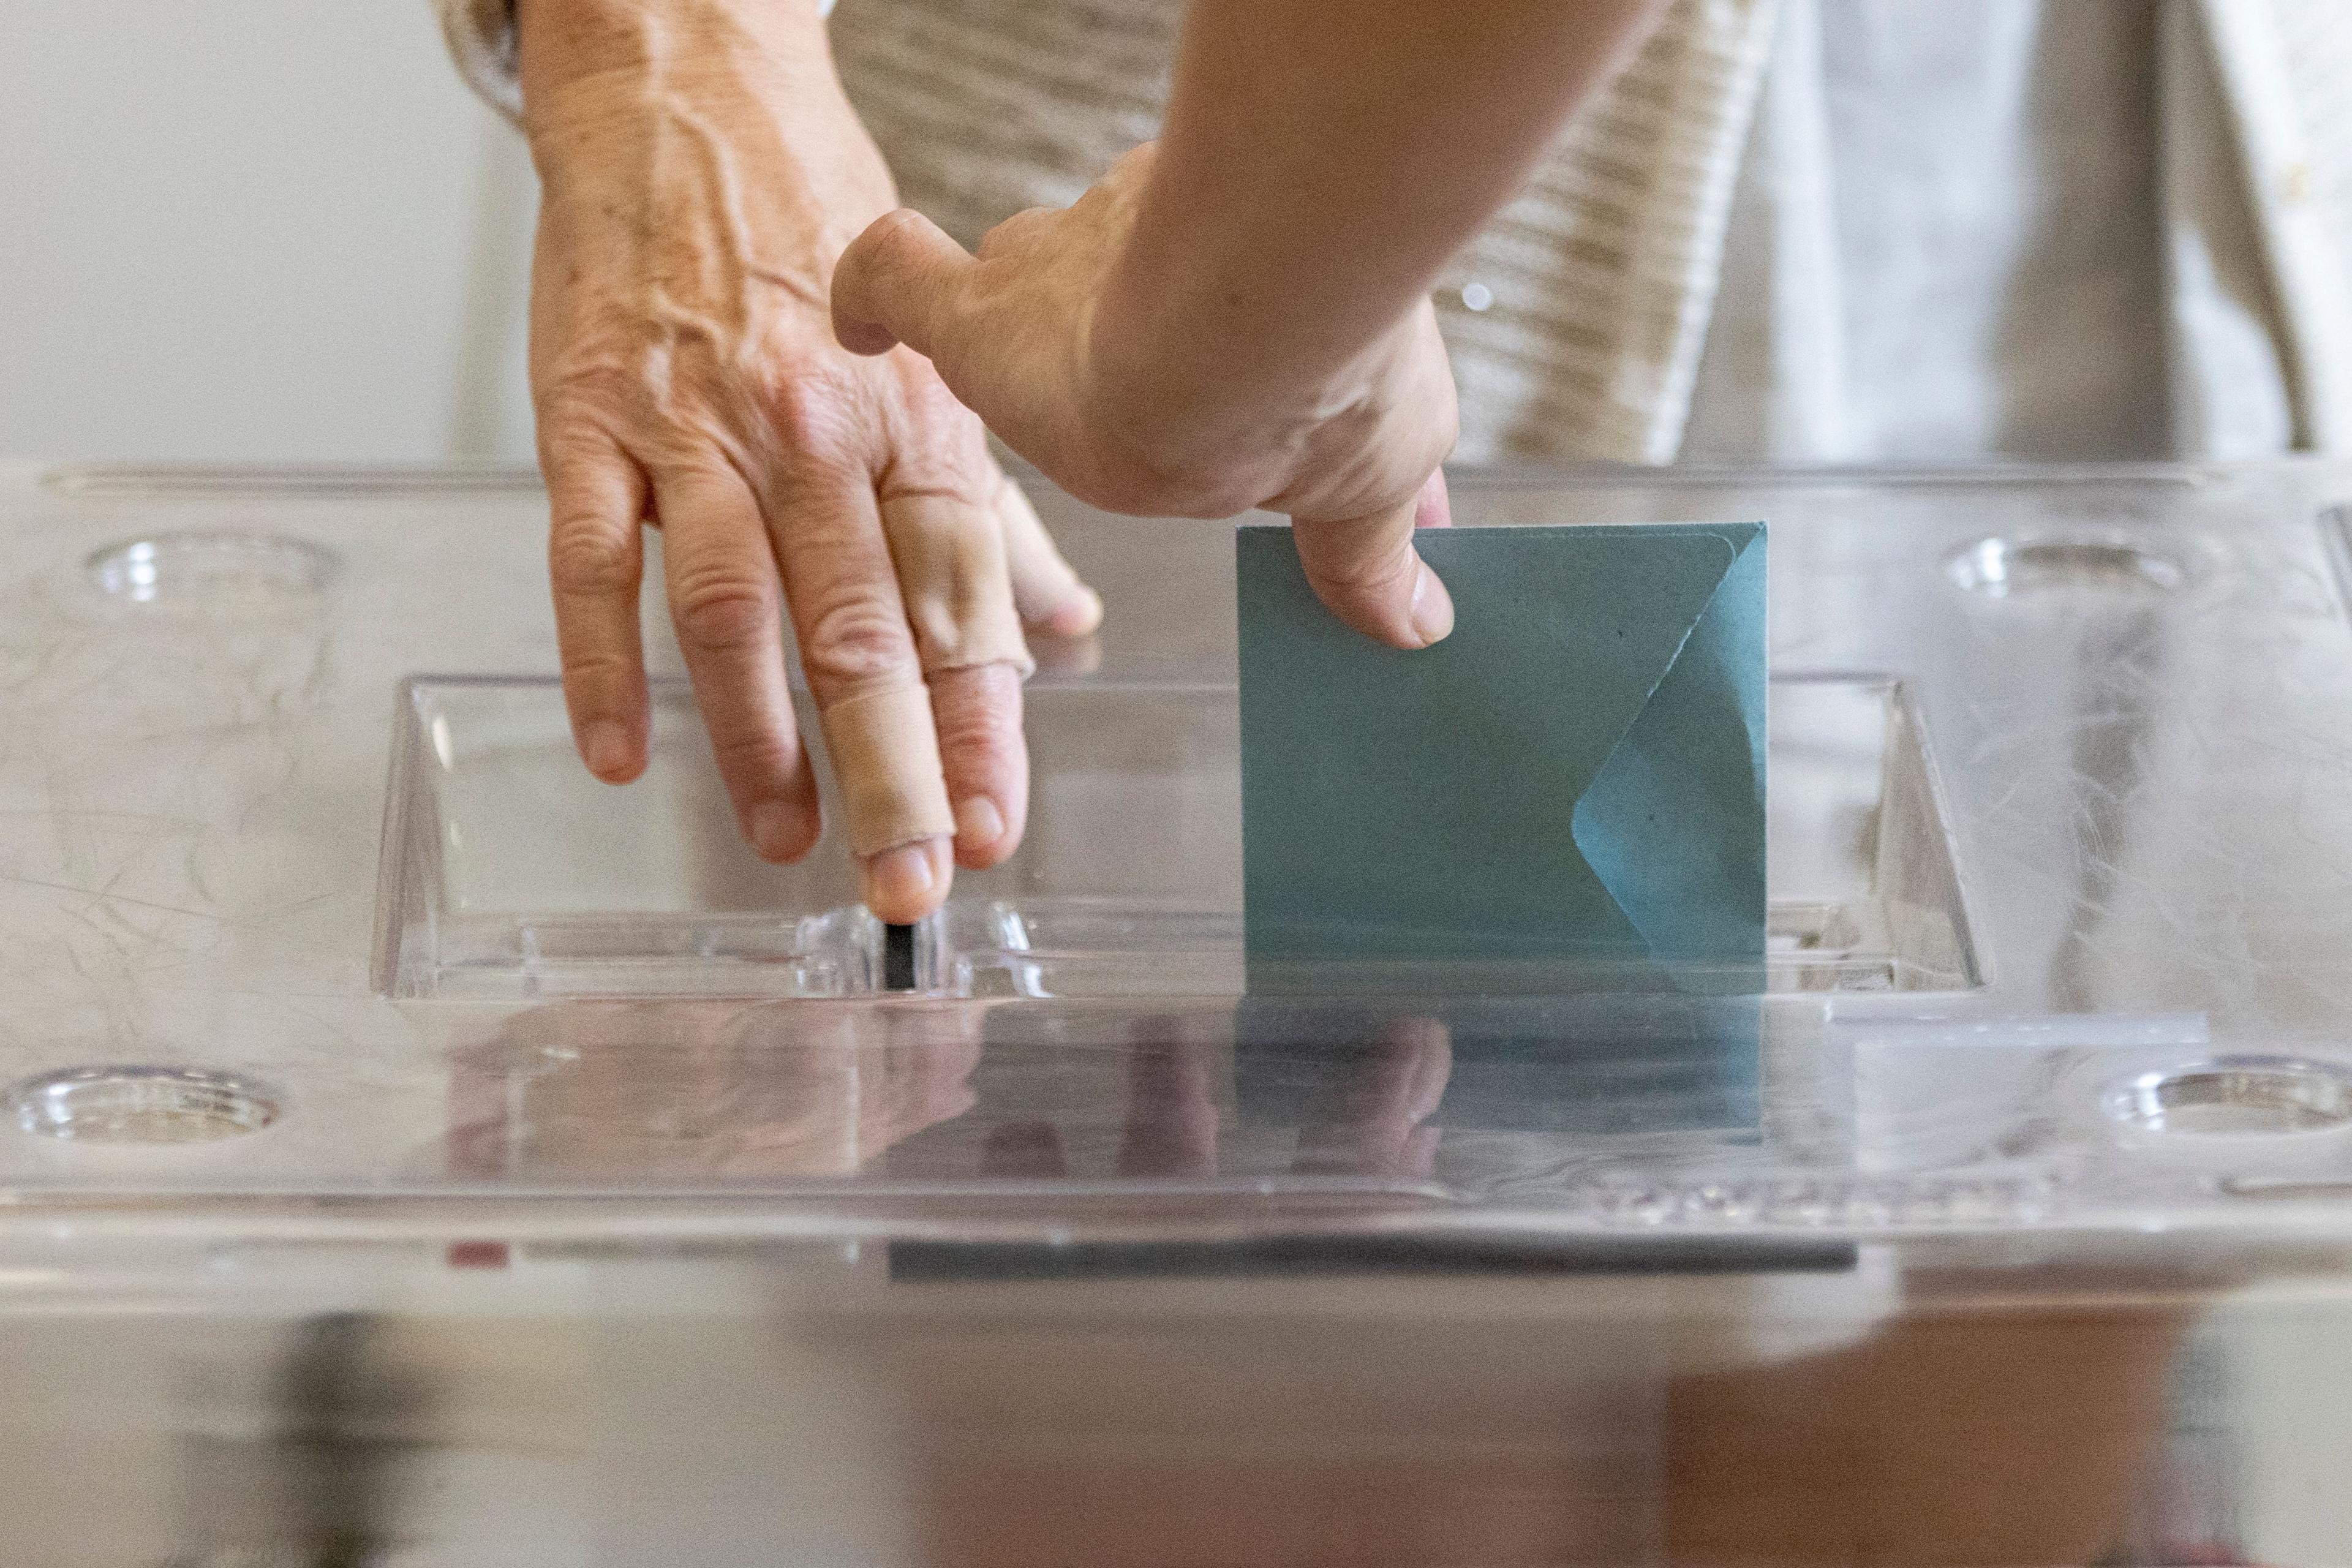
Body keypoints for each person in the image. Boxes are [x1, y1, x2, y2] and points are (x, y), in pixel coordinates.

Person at [437, 0, 2352, 924]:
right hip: (1078, 226)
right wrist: (666, 53)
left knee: (2003, 1329)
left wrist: (1221, 355)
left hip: (2068, 166)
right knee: (1229, 1373)